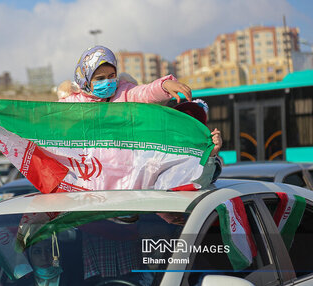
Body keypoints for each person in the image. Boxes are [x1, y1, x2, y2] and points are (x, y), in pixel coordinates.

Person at [58, 45, 222, 184]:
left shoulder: (125, 93)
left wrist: (164, 85)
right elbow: (46, 121)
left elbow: (145, 93)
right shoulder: (72, 105)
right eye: (100, 78)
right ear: (85, 81)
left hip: (126, 180)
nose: (107, 82)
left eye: (111, 76)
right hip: (90, 180)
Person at [7, 238, 77, 286]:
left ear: (59, 254)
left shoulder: (75, 284)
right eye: (37, 251)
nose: (44, 257)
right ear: (30, 258)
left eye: (50, 250)